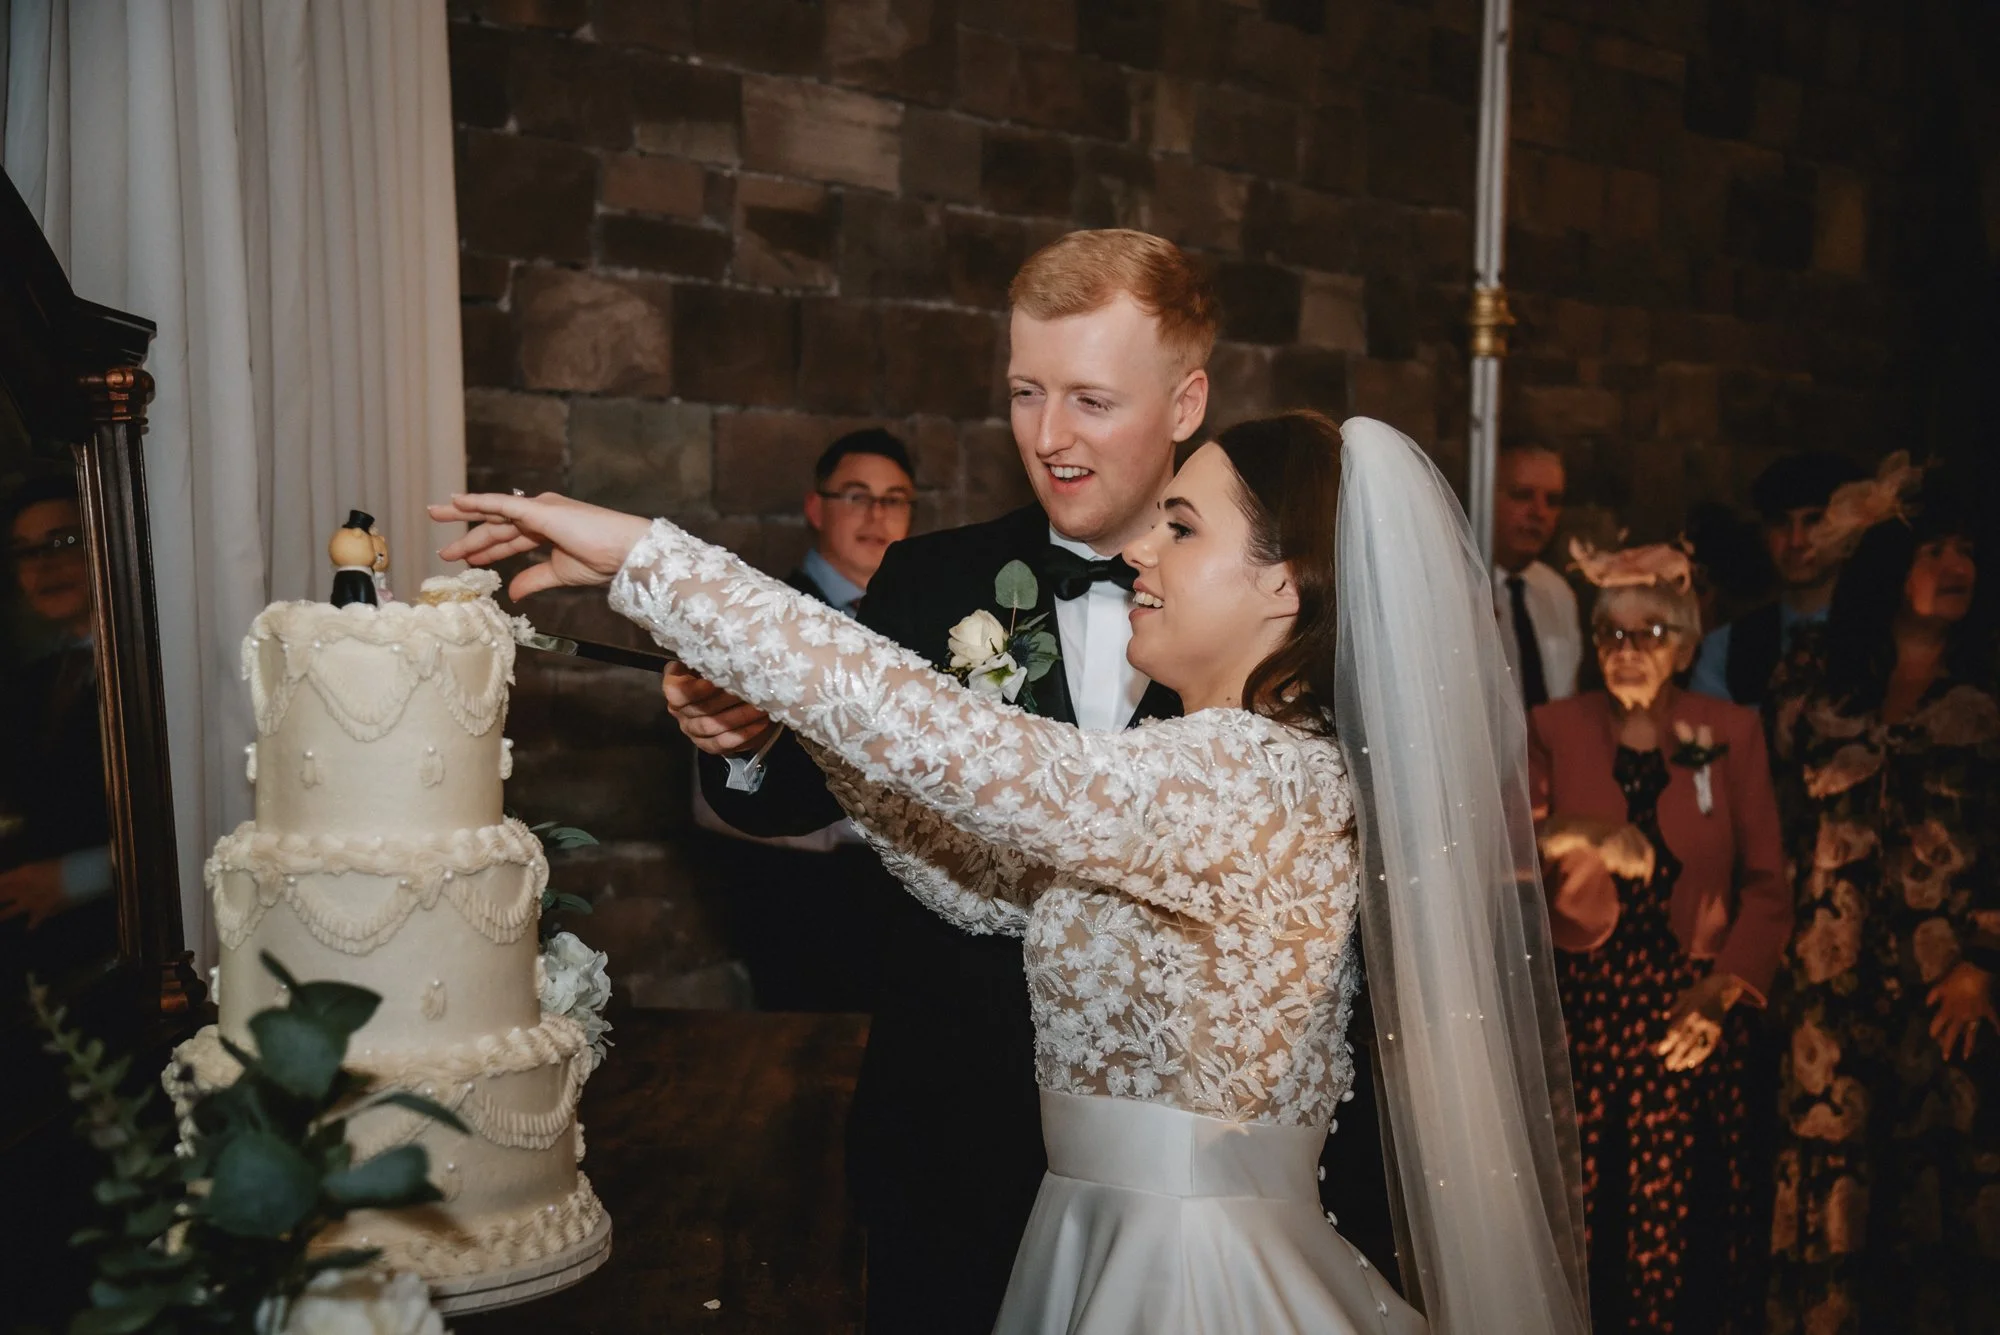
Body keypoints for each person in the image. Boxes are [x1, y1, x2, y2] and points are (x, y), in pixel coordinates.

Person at [432, 410, 1591, 1334]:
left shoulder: (1256, 777)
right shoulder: (1198, 770)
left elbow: (978, 759)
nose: (1139, 546)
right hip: (1098, 1234)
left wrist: (648, 557)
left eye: (1180, 527)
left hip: (1190, 1276)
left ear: (1281, 586)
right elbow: (981, 877)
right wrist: (790, 725)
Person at [658, 230, 1394, 1328]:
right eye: (1023, 393)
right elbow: (826, 785)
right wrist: (748, 741)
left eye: (1091, 401)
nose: (1047, 439)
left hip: (1196, 1193)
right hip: (946, 1138)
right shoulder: (928, 574)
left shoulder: (1279, 696)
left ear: (1184, 402)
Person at [1531, 540, 1791, 1334]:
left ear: (1683, 645)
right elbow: (1493, 849)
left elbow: (1769, 886)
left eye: (1647, 634)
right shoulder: (1552, 726)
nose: (1625, 650)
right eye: (1610, 633)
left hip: (1693, 1008)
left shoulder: (1732, 730)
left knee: (1686, 1225)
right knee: (1582, 1215)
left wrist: (1720, 993)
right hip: (1586, 1010)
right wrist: (1579, 831)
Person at [1764, 473, 1999, 1335]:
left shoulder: (1989, 699)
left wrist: (1983, 964)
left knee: (1935, 1229)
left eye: (1968, 549)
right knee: (1832, 1219)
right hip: (1824, 1013)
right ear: (1890, 563)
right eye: (1934, 547)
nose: (1956, 564)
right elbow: (1769, 830)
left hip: (1947, 1017)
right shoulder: (1815, 688)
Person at [687, 428, 916, 1011]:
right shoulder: (762, 614)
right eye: (857, 494)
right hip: (793, 888)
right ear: (817, 508)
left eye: (894, 499)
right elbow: (712, 775)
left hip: (905, 899)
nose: (876, 514)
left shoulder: (923, 617)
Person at [0, 476, 113, 956]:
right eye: (26, 552)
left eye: (64, 541)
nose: (44, 566)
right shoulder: (33, 682)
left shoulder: (158, 666)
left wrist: (77, 878)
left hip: (126, 940)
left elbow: (204, 815)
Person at [1689, 451, 1864, 707]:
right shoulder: (1728, 646)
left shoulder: (1879, 633)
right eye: (1781, 522)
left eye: (1814, 520)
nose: (1796, 541)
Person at [1492, 444, 1582, 707]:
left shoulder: (1558, 593)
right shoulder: (1452, 589)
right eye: (1522, 495)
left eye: (1552, 501)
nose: (1539, 513)